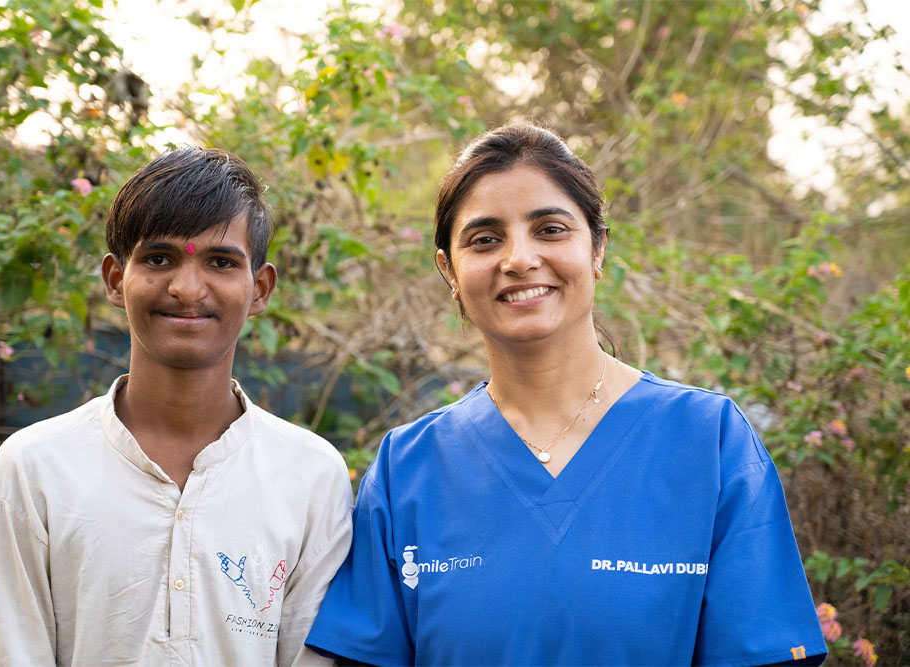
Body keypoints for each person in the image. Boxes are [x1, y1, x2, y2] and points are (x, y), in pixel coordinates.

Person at [305, 122, 827, 666]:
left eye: (550, 230)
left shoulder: (709, 439)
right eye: (485, 239)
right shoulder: (406, 467)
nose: (519, 259)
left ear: (597, 247)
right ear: (449, 271)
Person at [0, 147, 353, 666]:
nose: (186, 288)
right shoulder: (35, 467)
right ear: (115, 279)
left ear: (260, 289)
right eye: (159, 258)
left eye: (221, 263)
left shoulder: (311, 475)